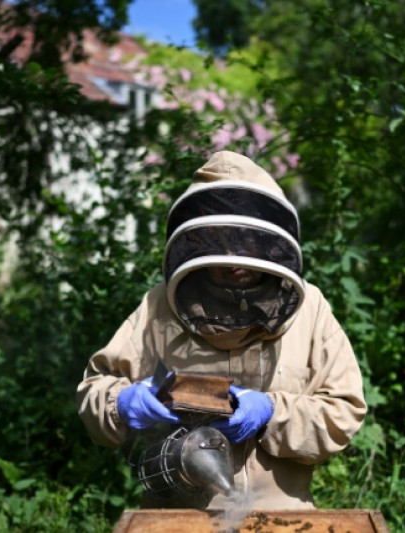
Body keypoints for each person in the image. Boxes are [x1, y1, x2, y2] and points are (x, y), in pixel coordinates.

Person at [76, 151, 366, 509]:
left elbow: (344, 413)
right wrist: (120, 404)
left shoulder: (311, 310)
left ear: (267, 240)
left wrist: (272, 415)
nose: (234, 257)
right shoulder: (157, 308)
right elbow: (94, 393)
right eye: (219, 239)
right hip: (178, 518)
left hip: (280, 518)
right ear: (197, 242)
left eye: (245, 237)